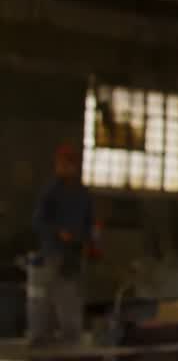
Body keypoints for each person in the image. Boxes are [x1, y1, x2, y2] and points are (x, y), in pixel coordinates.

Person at [29, 144, 93, 345]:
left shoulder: (82, 194)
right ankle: (39, 337)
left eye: (69, 164)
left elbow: (88, 222)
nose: (65, 167)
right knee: (42, 299)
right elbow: (38, 221)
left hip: (72, 256)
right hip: (51, 254)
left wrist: (87, 241)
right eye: (62, 164)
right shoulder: (51, 191)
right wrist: (58, 232)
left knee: (70, 298)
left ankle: (71, 338)